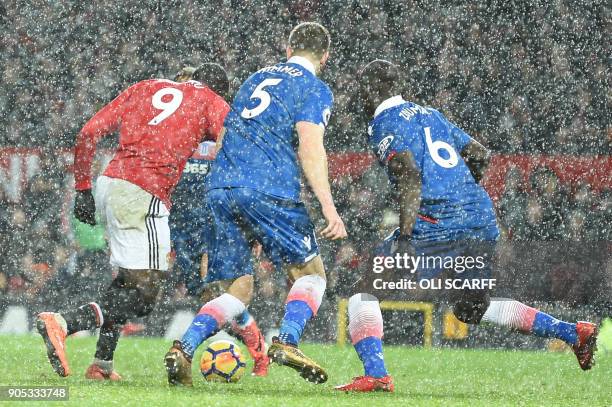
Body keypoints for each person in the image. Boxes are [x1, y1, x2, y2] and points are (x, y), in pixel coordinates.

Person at [335, 59, 599, 392]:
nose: (359, 96)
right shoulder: (430, 114)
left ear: (374, 88)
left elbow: (408, 173)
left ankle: (376, 374)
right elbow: (480, 154)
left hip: (437, 221)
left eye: (362, 88)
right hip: (479, 217)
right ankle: (573, 333)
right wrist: (460, 191)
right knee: (472, 307)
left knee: (366, 288)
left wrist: (405, 235)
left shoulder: (383, 123)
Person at [165, 22, 347, 386]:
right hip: (268, 188)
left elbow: (226, 135)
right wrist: (329, 207)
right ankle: (287, 340)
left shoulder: (254, 79)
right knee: (312, 275)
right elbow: (310, 146)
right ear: (324, 56)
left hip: (221, 186)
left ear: (288, 47)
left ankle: (183, 348)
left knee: (238, 288)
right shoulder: (313, 87)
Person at [36, 63, 231, 381]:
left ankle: (102, 364)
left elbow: (88, 132)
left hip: (110, 183)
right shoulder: (211, 100)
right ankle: (64, 323)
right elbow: (230, 143)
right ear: (218, 90)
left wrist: (83, 189)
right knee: (144, 297)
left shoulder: (145, 87)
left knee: (127, 282)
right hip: (145, 194)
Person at [169, 66, 269, 376]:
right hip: (184, 222)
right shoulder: (178, 125)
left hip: (218, 219)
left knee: (226, 292)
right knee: (211, 296)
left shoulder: (233, 124)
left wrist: (253, 229)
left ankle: (255, 354)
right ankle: (256, 350)